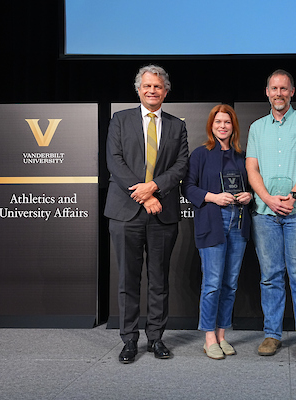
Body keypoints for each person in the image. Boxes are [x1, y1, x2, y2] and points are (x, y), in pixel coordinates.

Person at [105, 65, 189, 363]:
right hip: (125, 213)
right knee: (128, 280)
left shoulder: (176, 125)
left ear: (166, 91)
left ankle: (156, 338)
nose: (152, 90)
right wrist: (142, 194)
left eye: (158, 86)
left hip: (162, 213)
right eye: (147, 86)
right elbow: (114, 161)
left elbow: (180, 166)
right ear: (138, 89)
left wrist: (153, 188)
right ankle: (129, 340)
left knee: (158, 279)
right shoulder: (120, 119)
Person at [246, 69, 296, 360]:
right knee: (270, 277)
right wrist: (266, 198)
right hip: (264, 213)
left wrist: (291, 197)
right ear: (267, 92)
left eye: (284, 89)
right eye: (274, 88)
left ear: (292, 92)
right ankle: (272, 334)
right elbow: (252, 169)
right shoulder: (257, 127)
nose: (279, 93)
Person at [182, 104, 252, 360]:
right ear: (211, 126)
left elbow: (252, 185)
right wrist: (212, 197)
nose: (223, 126)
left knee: (230, 284)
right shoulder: (200, 154)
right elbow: (187, 188)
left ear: (234, 127)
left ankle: (222, 335)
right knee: (212, 283)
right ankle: (209, 337)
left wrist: (249, 195)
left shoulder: (242, 155)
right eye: (218, 122)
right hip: (212, 222)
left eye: (227, 122)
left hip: (239, 222)